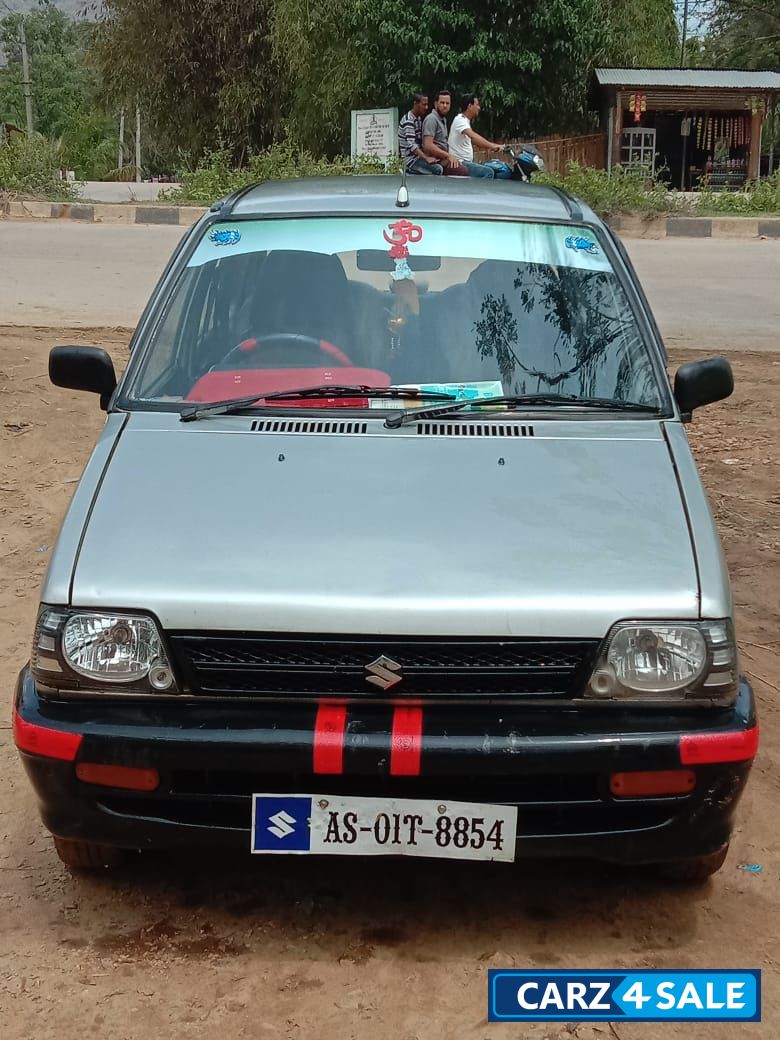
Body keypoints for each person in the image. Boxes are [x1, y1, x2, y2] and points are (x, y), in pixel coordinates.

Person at [448, 94, 503, 178]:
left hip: (467, 162)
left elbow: (475, 141)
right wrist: (493, 146)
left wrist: (490, 147)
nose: (479, 108)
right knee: (488, 172)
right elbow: (474, 136)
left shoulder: (465, 121)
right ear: (470, 106)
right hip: (461, 162)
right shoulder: (460, 120)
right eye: (477, 105)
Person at [422, 90, 467, 176]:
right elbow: (428, 145)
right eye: (442, 103)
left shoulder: (443, 119)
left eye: (447, 103)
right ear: (436, 104)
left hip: (443, 158)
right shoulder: (432, 119)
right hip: (436, 160)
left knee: (465, 167)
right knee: (462, 171)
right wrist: (448, 156)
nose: (445, 106)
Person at [398, 94, 443, 175]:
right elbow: (412, 145)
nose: (426, 107)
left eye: (427, 104)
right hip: (411, 161)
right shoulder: (409, 121)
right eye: (424, 105)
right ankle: (410, 172)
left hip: (418, 157)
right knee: (437, 169)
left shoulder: (418, 119)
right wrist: (426, 158)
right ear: (415, 104)